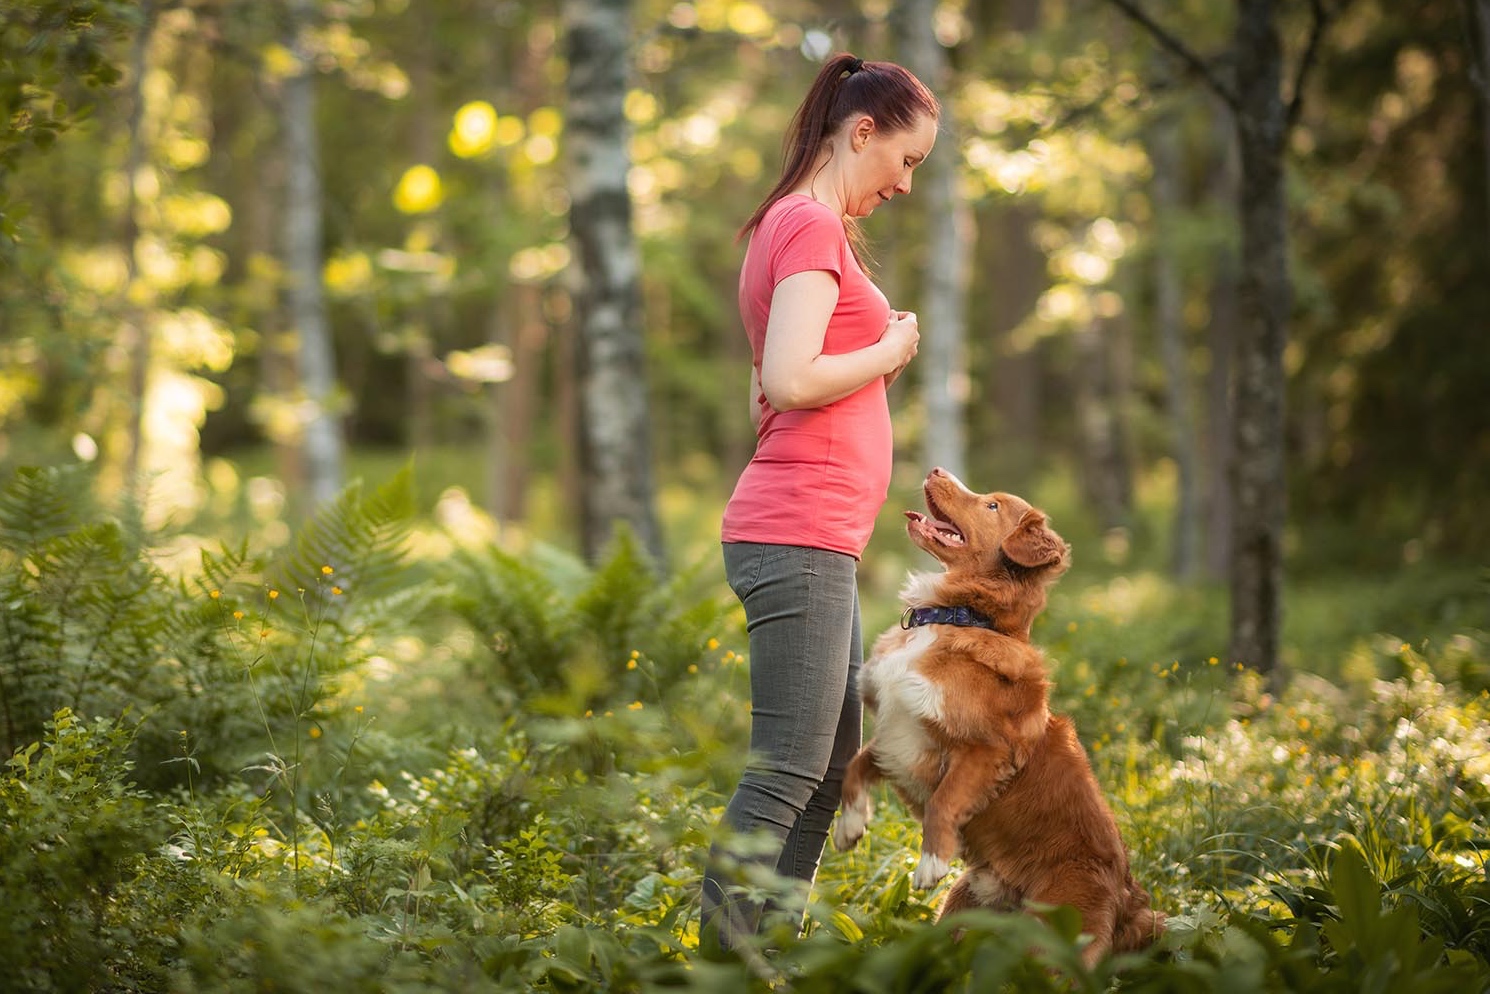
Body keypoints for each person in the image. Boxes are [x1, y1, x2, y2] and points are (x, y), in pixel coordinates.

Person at [700, 52, 940, 955]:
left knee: (829, 764)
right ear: (861, 132)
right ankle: (719, 967)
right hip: (794, 533)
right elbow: (789, 378)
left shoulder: (797, 225)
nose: (906, 185)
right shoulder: (805, 225)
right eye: (905, 160)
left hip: (816, 535)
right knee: (787, 770)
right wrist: (889, 349)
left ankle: (764, 955)